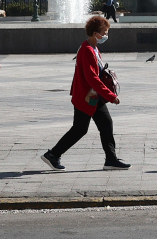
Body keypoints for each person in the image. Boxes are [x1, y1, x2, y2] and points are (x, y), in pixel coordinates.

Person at [41, 16, 130, 171]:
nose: (106, 35)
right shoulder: (87, 50)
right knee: (80, 129)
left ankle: (111, 159)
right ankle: (53, 154)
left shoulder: (92, 47)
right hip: (87, 97)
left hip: (93, 97)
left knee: (105, 124)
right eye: (104, 32)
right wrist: (111, 95)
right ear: (95, 33)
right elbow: (92, 78)